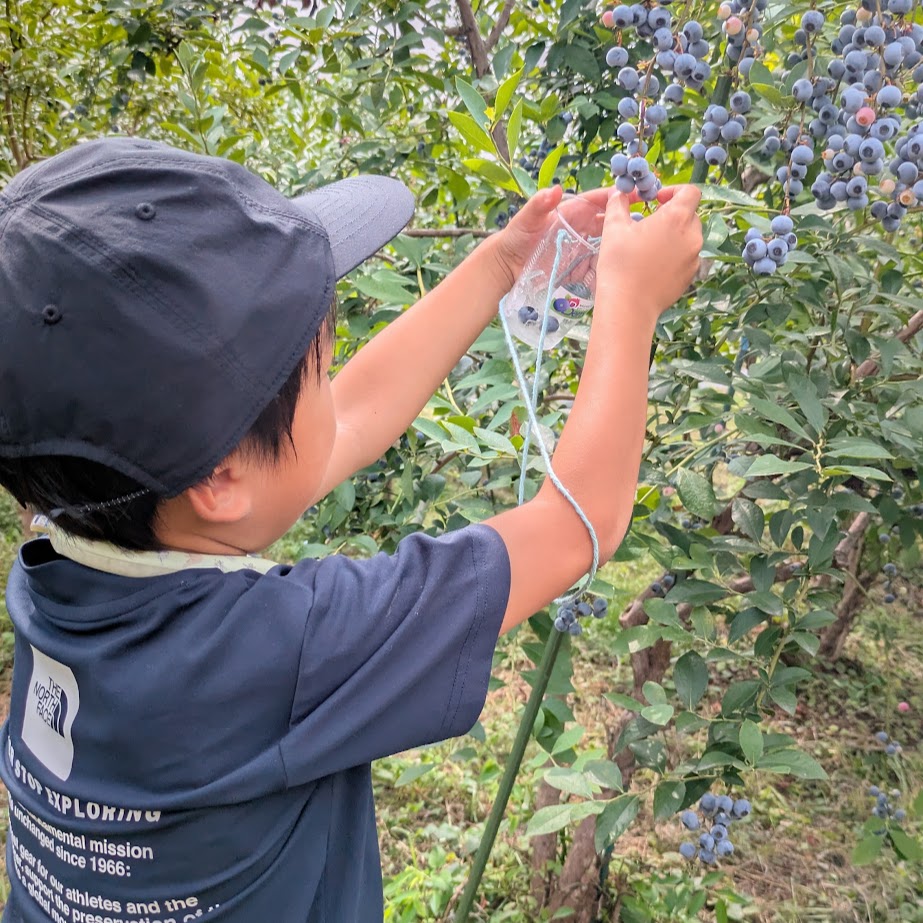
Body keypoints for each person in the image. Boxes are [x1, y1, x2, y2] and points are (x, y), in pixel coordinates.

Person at [0, 136, 702, 922]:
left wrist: (503, 263)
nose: (336, 390)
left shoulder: (58, 553)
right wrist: (632, 300)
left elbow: (341, 426)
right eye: (322, 372)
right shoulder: (292, 650)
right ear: (220, 479)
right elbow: (580, 523)